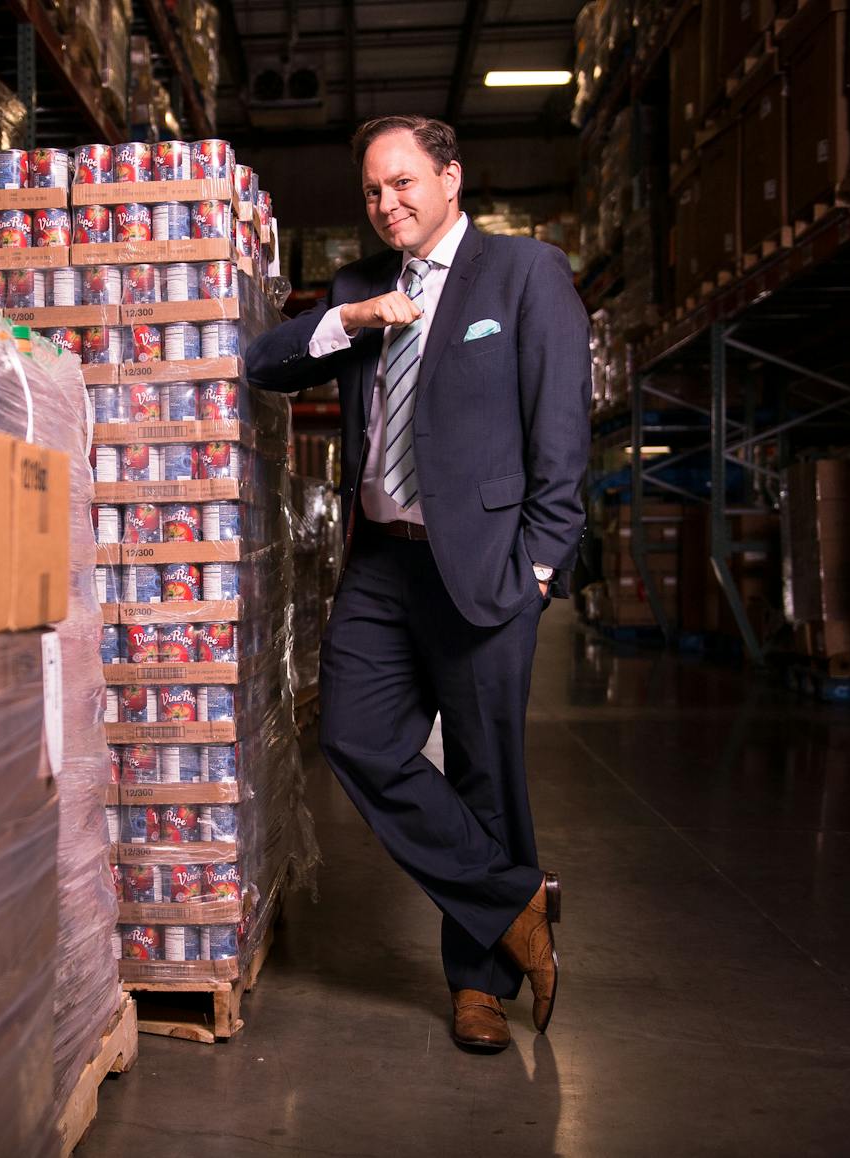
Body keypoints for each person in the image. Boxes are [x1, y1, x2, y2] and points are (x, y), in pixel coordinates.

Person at [245, 115, 591, 1052]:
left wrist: (540, 569)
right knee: (354, 736)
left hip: (481, 570)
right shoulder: (363, 288)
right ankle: (513, 902)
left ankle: (478, 989)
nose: (386, 203)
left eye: (402, 183)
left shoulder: (522, 274)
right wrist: (350, 318)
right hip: (382, 561)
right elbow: (263, 363)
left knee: (485, 773)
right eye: (371, 191)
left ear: (450, 177)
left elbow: (559, 432)